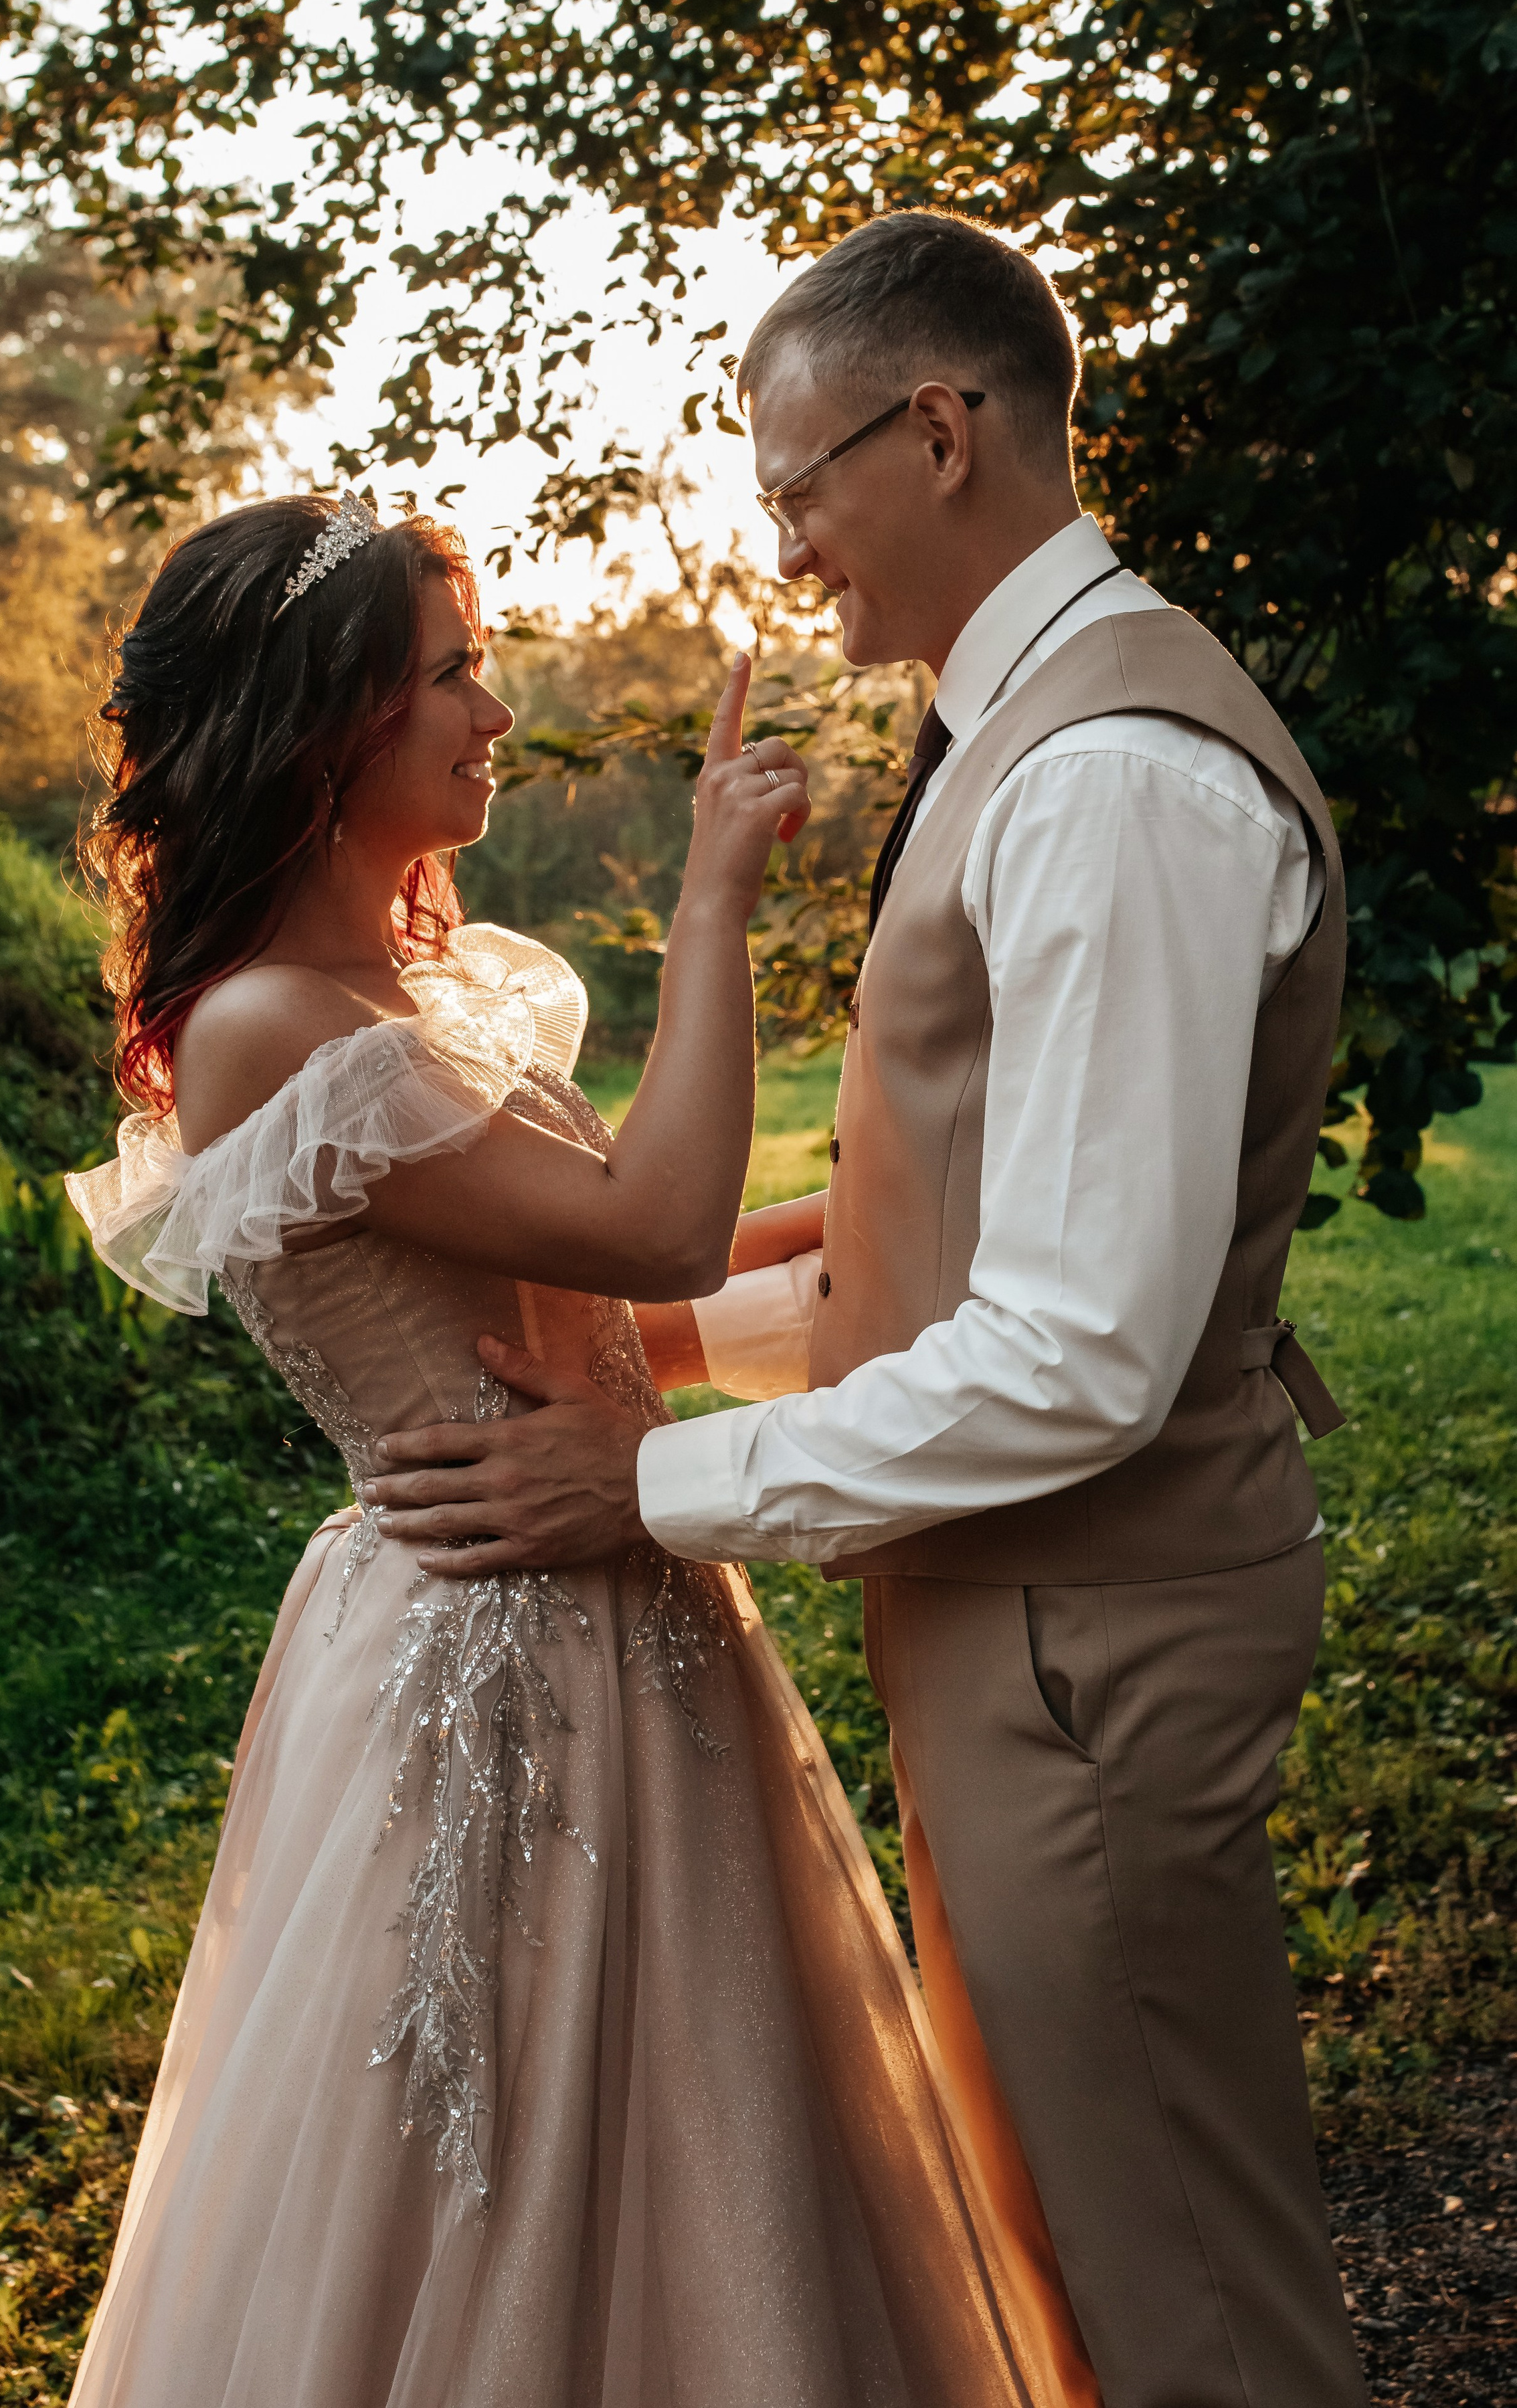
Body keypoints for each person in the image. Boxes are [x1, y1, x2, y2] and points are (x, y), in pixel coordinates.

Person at [371, 213, 1372, 2408]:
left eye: (796, 480)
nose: (787, 544)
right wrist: (632, 1347)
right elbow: (955, 1238)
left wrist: (655, 1482)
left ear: (940, 429)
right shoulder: (1021, 731)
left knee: (1185, 2289)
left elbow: (1084, 1346)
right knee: (1078, 2251)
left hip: (1092, 1627)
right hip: (1023, 1615)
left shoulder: (1111, 776)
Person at [62, 488, 1065, 2408]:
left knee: (707, 2128)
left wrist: (875, 1244)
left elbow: (610, 1310)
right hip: (486, 1647)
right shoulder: (270, 1026)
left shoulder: (417, 997)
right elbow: (662, 1219)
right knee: (493, 2159)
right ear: (326, 717)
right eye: (454, 673)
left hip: (627, 1592)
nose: (494, 712)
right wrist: (713, 899)